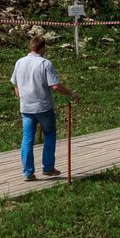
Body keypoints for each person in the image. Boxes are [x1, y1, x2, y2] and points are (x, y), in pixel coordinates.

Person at [11, 35, 79, 182]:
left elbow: (15, 84)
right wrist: (71, 93)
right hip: (43, 106)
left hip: (26, 107)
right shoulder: (45, 63)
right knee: (49, 133)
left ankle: (28, 172)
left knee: (27, 138)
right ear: (43, 47)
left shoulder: (19, 62)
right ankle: (48, 167)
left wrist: (21, 98)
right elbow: (55, 86)